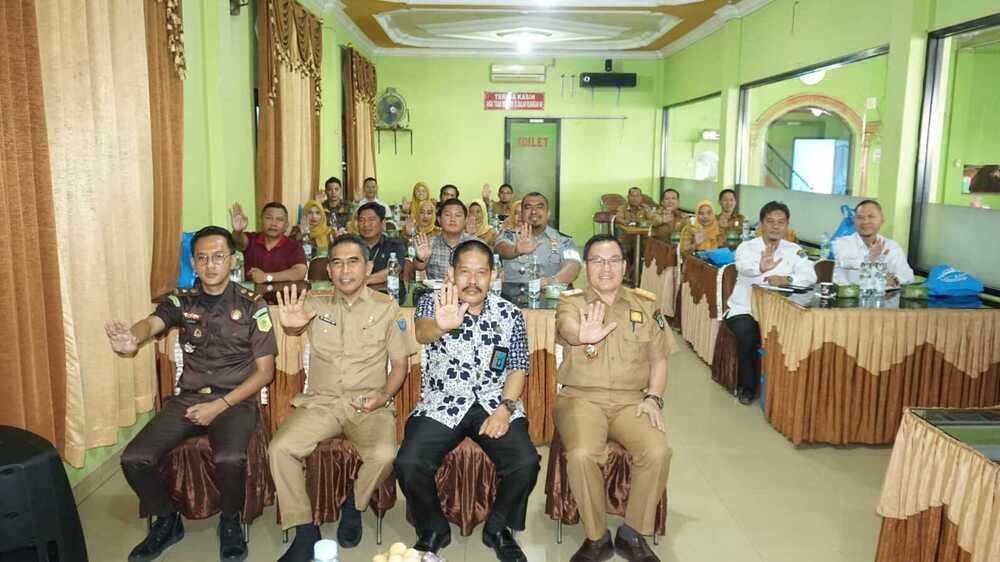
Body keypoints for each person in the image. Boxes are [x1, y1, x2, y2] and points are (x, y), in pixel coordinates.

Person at [110, 226, 277, 562]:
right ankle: (167, 519)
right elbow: (152, 322)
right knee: (133, 459)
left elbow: (265, 373)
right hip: (188, 399)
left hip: (235, 400)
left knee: (230, 458)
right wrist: (133, 336)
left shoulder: (252, 305)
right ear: (194, 262)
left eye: (218, 257)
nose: (210, 264)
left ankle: (229, 521)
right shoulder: (181, 300)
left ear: (232, 260)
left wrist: (219, 405)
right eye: (202, 258)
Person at [269, 236, 415, 562]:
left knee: (384, 453)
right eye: (336, 262)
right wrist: (290, 328)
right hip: (321, 402)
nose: (344, 270)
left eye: (353, 262)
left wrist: (383, 395)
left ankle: (354, 505)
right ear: (329, 269)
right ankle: (305, 531)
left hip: (368, 404)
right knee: (280, 449)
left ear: (368, 268)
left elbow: (400, 365)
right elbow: (294, 327)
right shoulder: (315, 304)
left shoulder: (387, 308)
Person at [395, 240, 540, 562]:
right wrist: (442, 325)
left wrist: (505, 409)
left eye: (481, 273)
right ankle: (432, 529)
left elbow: (518, 367)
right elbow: (422, 332)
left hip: (493, 400)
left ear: (493, 275)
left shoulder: (510, 314)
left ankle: (498, 529)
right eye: (464, 272)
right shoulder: (430, 303)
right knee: (408, 463)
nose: (472, 281)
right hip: (442, 401)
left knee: (526, 462)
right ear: (451, 273)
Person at [554, 234, 675, 562]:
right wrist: (582, 334)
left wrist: (653, 398)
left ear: (625, 266)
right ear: (586, 267)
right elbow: (566, 326)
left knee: (658, 451)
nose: (605, 268)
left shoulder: (646, 305)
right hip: (581, 398)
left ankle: (632, 533)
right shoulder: (571, 302)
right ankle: (596, 537)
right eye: (596, 260)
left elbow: (659, 360)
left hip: (631, 401)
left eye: (613, 260)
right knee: (581, 454)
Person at [725, 201, 816, 405]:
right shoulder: (747, 247)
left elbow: (810, 276)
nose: (775, 226)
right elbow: (743, 267)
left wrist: (789, 280)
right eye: (770, 221)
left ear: (787, 225)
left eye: (781, 222)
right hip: (745, 309)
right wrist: (761, 267)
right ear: (761, 224)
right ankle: (748, 388)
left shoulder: (795, 250)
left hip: (783, 310)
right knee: (749, 336)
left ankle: (790, 388)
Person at [495, 192, 582, 288]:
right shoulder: (509, 235)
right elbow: (500, 248)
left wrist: (551, 282)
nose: (533, 212)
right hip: (511, 299)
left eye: (539, 207)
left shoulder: (564, 241)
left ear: (548, 213)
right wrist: (516, 250)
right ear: (522, 214)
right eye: (528, 208)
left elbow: (574, 266)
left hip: (549, 297)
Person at [832, 200, 914, 286]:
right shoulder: (841, 243)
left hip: (883, 297)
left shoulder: (892, 247)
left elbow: (908, 277)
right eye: (860, 217)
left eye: (871, 216)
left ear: (882, 220)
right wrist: (870, 260)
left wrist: (894, 281)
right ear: (854, 221)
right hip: (847, 296)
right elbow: (845, 266)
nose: (865, 221)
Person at [231, 202, 307, 285]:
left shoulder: (294, 247)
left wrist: (266, 277)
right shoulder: (251, 239)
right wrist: (237, 231)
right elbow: (238, 241)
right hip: (252, 296)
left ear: (286, 225)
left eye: (280, 219)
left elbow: (299, 273)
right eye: (268, 218)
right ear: (261, 221)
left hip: (283, 297)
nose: (273, 224)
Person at [356, 202, 409, 301]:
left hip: (387, 298)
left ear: (382, 223)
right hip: (355, 298)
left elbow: (393, 270)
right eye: (361, 220)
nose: (366, 224)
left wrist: (365, 280)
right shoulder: (349, 246)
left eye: (371, 220)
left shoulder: (395, 245)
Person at [412, 198, 476, 280]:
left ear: (465, 220)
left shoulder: (476, 245)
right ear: (439, 220)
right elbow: (419, 267)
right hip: (436, 291)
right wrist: (420, 259)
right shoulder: (429, 243)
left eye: (458, 215)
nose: (452, 219)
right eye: (447, 215)